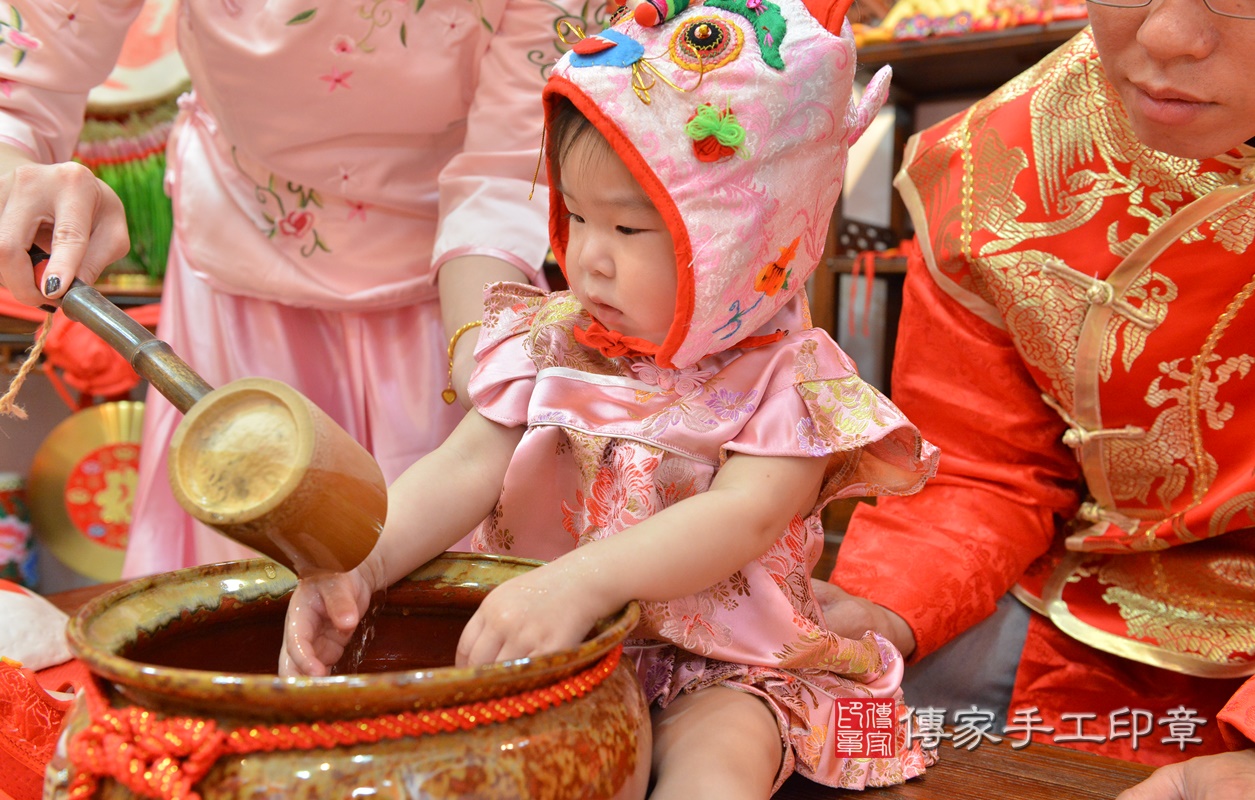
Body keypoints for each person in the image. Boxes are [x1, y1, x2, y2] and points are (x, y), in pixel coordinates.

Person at [281, 0, 941, 794]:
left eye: (630, 230)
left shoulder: (788, 376)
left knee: (716, 769)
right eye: (577, 214)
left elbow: (742, 516)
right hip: (550, 645)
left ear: (752, 237)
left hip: (717, 664)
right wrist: (364, 563)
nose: (587, 258)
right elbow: (463, 464)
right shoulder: (550, 339)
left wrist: (583, 580)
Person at [820, 1, 1255, 797]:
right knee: (822, 718)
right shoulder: (1001, 161)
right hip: (1093, 596)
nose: (1165, 33)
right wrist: (880, 610)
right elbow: (978, 464)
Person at [0, 0, 591, 577]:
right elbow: (26, 70)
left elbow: (507, 167)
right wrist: (15, 180)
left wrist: (483, 365)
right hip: (241, 282)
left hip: (457, 296)